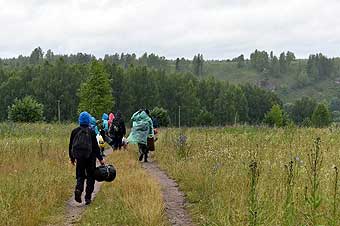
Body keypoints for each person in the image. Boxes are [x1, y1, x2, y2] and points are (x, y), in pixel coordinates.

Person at [69, 111, 105, 205]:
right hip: (90, 158)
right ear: (89, 120)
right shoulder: (91, 132)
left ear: (80, 120)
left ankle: (78, 189)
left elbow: (71, 146)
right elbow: (96, 148)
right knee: (90, 177)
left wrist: (72, 158)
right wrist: (100, 159)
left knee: (80, 176)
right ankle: (88, 197)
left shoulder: (74, 131)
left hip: (79, 158)